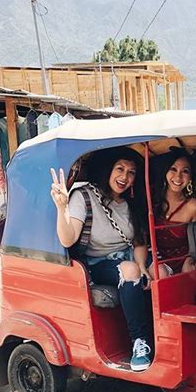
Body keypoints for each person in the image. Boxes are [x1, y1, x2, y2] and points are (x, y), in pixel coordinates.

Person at [49, 147, 153, 372]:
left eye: (131, 172)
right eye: (120, 169)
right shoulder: (84, 196)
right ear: (108, 169)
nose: (125, 177)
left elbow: (138, 243)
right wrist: (61, 207)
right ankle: (139, 342)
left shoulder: (130, 203)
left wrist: (144, 267)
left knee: (161, 272)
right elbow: (68, 239)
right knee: (129, 270)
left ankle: (160, 336)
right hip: (99, 264)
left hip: (130, 257)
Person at [152, 148, 196, 277]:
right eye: (173, 169)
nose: (178, 177)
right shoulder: (152, 201)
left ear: (190, 177)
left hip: (185, 261)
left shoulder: (193, 206)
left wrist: (190, 259)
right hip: (157, 261)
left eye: (185, 171)